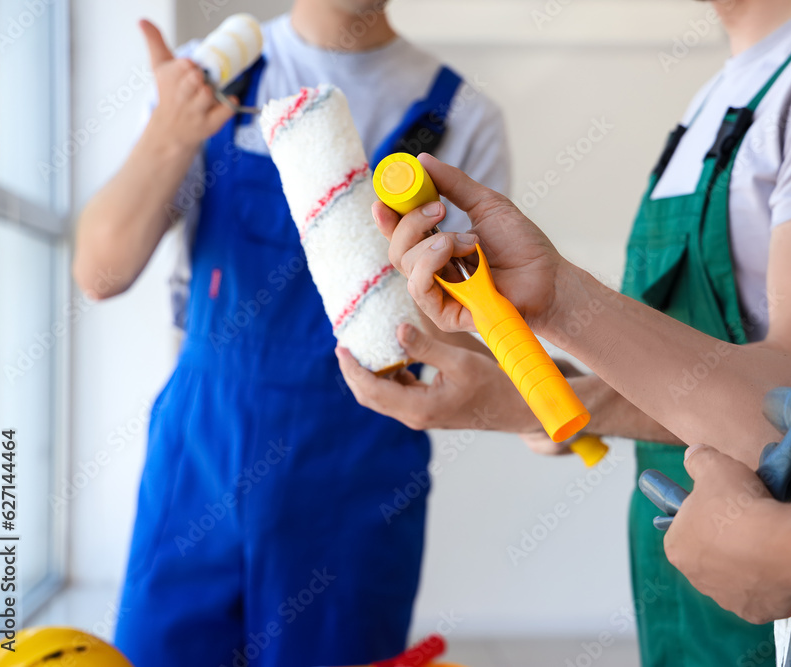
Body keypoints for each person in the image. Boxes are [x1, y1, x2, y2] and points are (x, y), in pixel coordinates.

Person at [343, 14, 791, 664]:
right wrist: (547, 340)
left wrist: (572, 363)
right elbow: (726, 384)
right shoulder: (717, 97)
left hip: (784, 607)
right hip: (685, 590)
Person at [72, 1, 509, 664]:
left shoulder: (462, 119)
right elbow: (99, 273)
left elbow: (472, 339)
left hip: (356, 475)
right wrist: (169, 130)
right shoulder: (211, 78)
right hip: (200, 462)